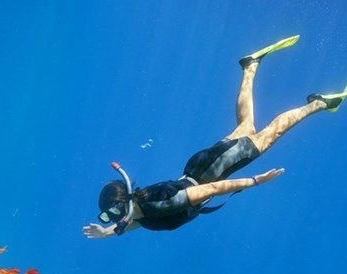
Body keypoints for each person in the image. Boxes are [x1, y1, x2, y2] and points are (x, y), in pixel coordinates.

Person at [84, 35, 347, 239]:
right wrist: (106, 232)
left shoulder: (162, 204)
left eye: (115, 212)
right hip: (201, 166)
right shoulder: (142, 212)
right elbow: (134, 224)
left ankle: (319, 104)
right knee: (246, 126)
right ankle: (250, 66)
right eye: (109, 216)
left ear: (127, 201)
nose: (115, 218)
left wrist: (255, 181)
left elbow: (212, 189)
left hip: (211, 171)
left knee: (269, 135)